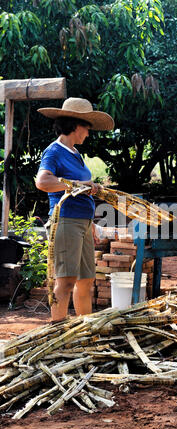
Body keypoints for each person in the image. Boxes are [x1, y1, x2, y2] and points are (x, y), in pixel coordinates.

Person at [35, 97, 114, 322]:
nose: (88, 134)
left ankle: (84, 329)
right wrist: (78, 185)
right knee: (66, 280)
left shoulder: (75, 153)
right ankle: (58, 329)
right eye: (86, 128)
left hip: (82, 223)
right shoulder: (53, 151)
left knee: (86, 280)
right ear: (75, 125)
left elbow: (79, 187)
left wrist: (89, 224)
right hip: (66, 221)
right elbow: (43, 182)